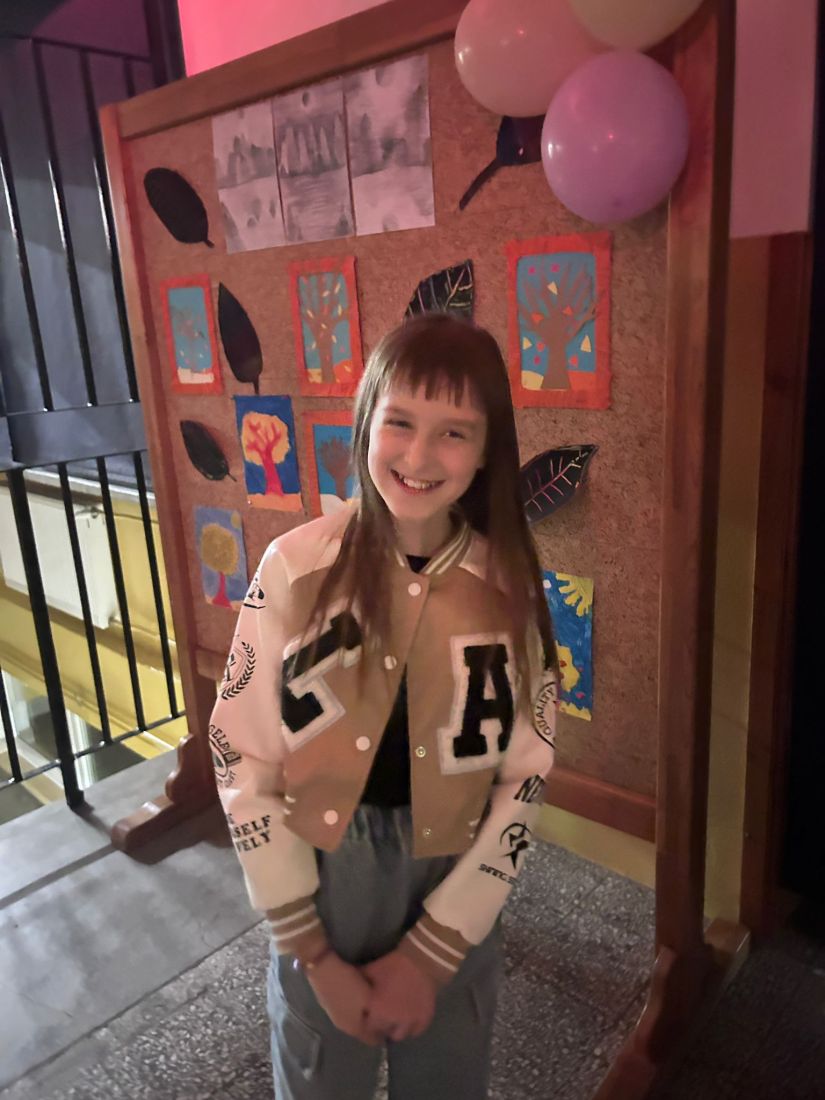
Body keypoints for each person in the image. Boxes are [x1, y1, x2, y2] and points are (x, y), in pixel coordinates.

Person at [209, 312, 559, 1099]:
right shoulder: (294, 568)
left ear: (486, 450)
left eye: (453, 433)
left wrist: (439, 946)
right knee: (319, 1072)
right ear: (366, 421)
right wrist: (309, 948)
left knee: (449, 1073)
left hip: (456, 868)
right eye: (399, 422)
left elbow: (525, 772)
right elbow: (242, 750)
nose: (419, 456)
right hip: (321, 874)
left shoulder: (509, 588)